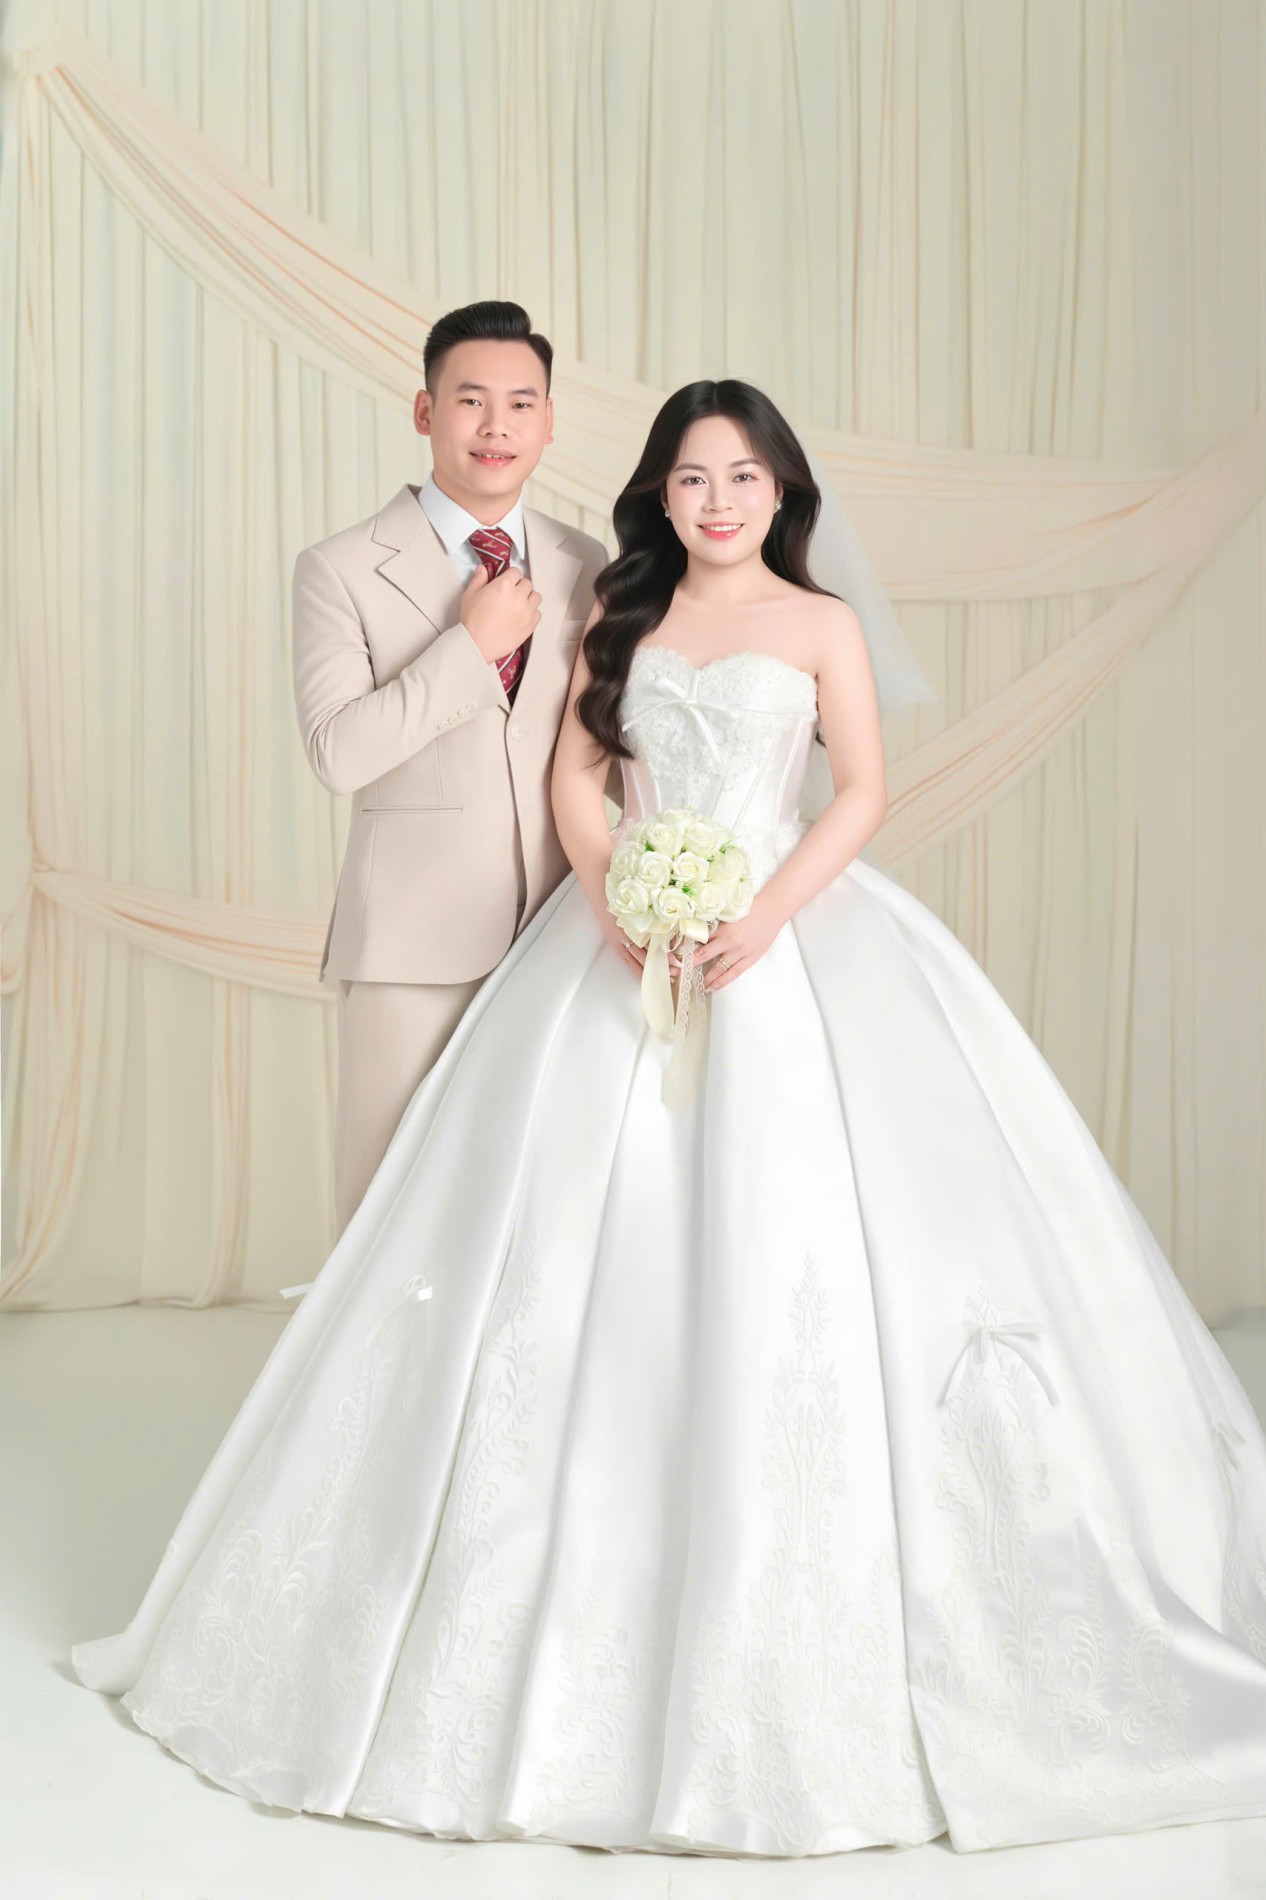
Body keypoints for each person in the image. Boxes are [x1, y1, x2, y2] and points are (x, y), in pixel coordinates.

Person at [72, 381, 1266, 1859]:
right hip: (619, 944)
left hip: (786, 942)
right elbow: (579, 776)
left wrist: (760, 914)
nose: (717, 502)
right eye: (692, 478)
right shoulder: (617, 615)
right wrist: (616, 898)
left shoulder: (819, 625)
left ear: (783, 494)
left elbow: (861, 792)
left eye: (743, 478)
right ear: (658, 494)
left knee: (801, 1244)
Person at [292, 299, 609, 1231]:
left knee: (540, 1209)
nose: (496, 426)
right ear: (426, 411)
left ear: (549, 423)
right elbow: (339, 752)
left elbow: (599, 740)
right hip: (410, 943)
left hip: (562, 936)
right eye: (471, 400)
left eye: (521, 404)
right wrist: (470, 649)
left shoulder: (586, 562)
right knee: (390, 1213)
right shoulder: (339, 567)